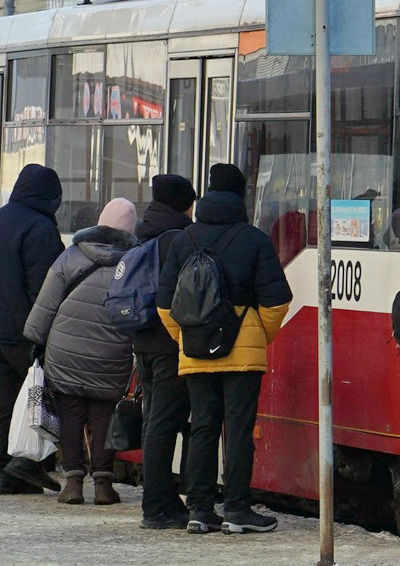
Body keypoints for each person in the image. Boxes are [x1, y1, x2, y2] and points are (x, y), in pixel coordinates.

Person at [156, 164, 293, 535]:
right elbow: (277, 300)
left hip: (195, 351)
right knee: (238, 430)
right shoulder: (254, 239)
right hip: (243, 356)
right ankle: (236, 509)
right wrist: (255, 335)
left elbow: (165, 304)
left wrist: (186, 337)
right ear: (241, 197)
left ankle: (199, 509)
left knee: (201, 427)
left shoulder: (184, 239)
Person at [23, 198, 140, 505]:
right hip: (112, 351)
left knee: (70, 414)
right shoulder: (135, 261)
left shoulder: (71, 255)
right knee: (103, 416)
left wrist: (35, 338)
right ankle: (103, 484)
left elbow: (47, 303)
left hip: (66, 349)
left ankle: (73, 482)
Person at [0, 164, 66, 495]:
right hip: (27, 335)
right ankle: (29, 465)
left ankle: (4, 475)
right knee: (40, 402)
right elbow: (44, 289)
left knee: (7, 404)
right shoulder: (40, 228)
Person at [132, 174, 198, 529]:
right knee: (163, 423)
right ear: (183, 203)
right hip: (167, 341)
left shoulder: (145, 231)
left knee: (154, 421)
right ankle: (156, 506)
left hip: (142, 340)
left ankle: (159, 499)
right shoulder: (177, 238)